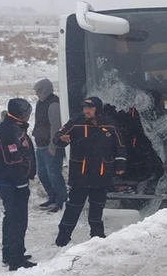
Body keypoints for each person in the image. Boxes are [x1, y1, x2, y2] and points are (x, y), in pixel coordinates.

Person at [53, 96, 127, 247]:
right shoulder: (75, 122)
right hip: (80, 175)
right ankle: (63, 239)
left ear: (97, 109)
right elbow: (57, 138)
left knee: (97, 207)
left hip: (101, 174)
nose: (86, 111)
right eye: (85, 108)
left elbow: (120, 146)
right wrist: (62, 140)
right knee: (73, 208)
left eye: (90, 108)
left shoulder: (110, 124)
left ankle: (97, 237)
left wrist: (120, 165)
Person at [0, 98, 37, 271]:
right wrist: (20, 183)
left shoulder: (14, 127)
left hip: (11, 181)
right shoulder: (9, 131)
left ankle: (11, 252)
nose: (28, 115)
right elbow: (12, 161)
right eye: (26, 112)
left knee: (11, 218)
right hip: (11, 183)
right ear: (19, 113)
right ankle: (15, 259)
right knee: (17, 220)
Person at [32, 78, 66, 213]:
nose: (37, 94)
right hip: (40, 145)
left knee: (54, 175)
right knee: (42, 174)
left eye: (38, 91)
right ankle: (52, 197)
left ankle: (61, 201)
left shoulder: (54, 104)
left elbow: (56, 127)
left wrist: (53, 146)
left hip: (50, 147)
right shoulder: (40, 103)